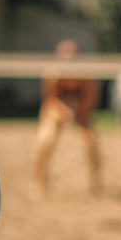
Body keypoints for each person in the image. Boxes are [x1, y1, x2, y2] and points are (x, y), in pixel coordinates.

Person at [30, 40, 102, 198]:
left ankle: (96, 183)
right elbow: (50, 101)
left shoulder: (87, 76)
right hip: (55, 111)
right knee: (45, 141)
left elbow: (90, 101)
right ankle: (39, 182)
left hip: (80, 112)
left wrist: (78, 113)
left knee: (90, 143)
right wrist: (64, 111)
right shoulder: (53, 74)